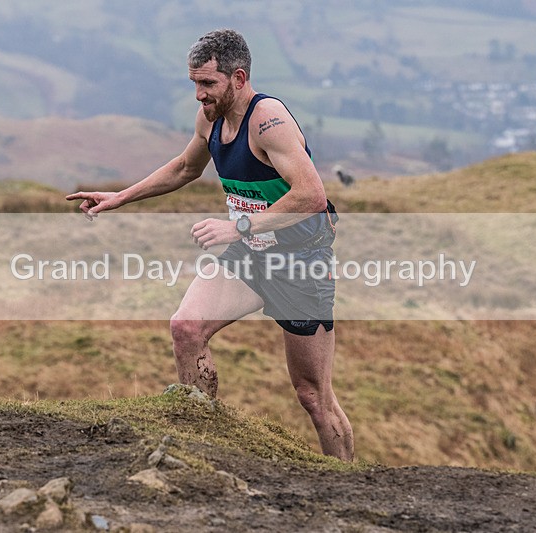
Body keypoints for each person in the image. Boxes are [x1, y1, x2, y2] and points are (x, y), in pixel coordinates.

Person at [66, 29, 354, 461]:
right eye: (195, 84)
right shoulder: (211, 118)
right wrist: (119, 196)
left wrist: (239, 226)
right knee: (186, 328)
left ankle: (347, 484)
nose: (199, 95)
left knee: (313, 396)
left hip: (300, 261)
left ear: (238, 79)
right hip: (250, 253)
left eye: (208, 84)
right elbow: (185, 167)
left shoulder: (268, 121)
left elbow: (311, 195)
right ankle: (204, 446)